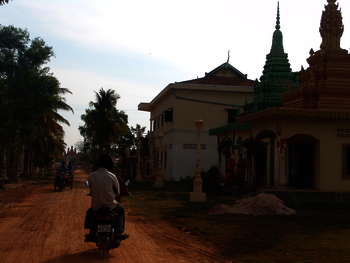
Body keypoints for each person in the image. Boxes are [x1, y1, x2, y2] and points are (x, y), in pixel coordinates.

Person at [85, 154, 128, 241]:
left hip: (96, 206)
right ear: (109, 164)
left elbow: (89, 187)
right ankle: (119, 232)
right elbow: (118, 192)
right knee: (121, 210)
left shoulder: (91, 176)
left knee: (90, 212)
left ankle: (91, 233)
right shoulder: (112, 176)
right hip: (111, 205)